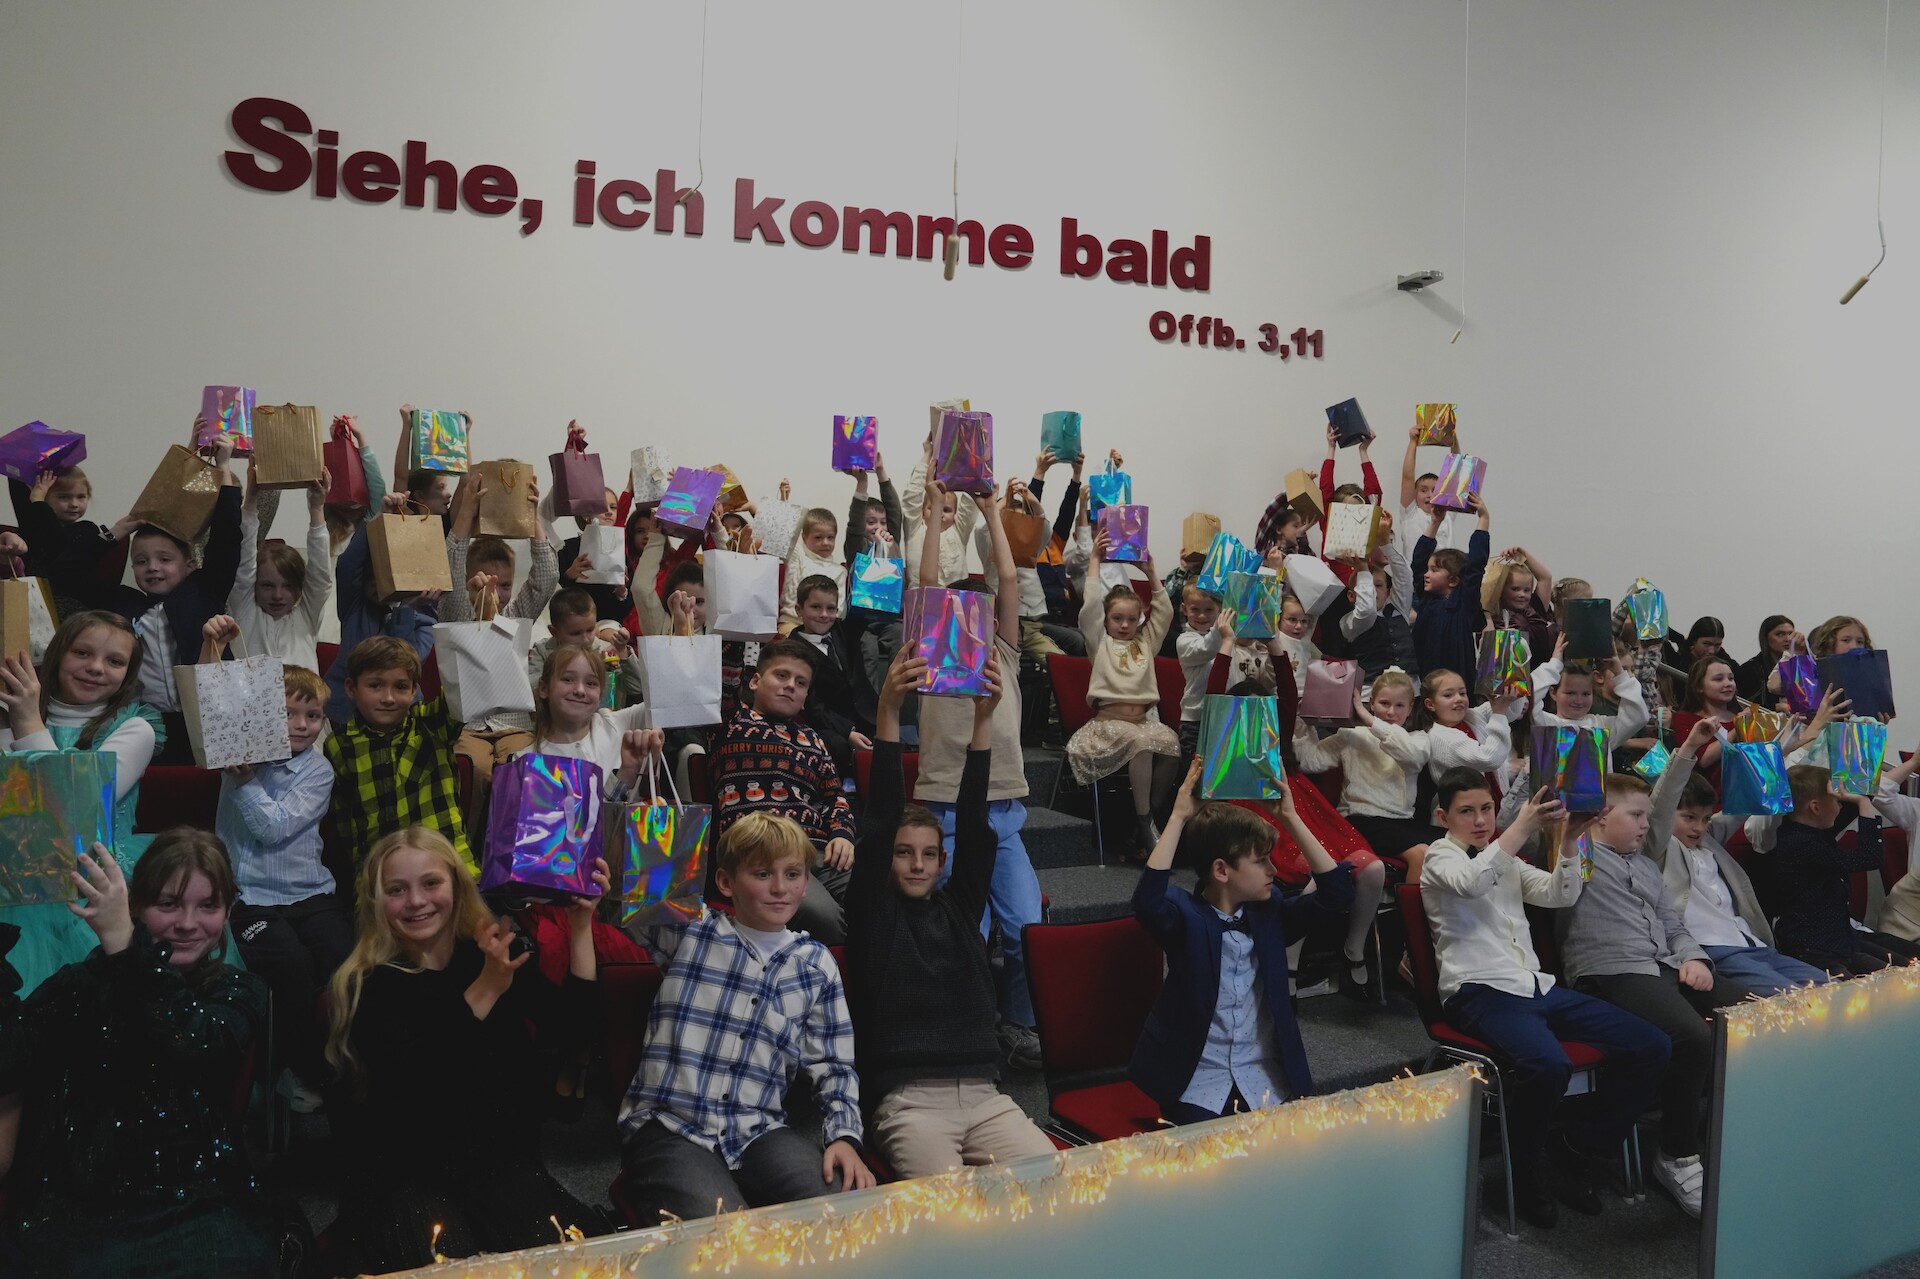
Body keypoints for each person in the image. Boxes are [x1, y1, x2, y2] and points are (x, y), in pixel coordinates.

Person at [321, 828, 611, 1272]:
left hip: (496, 1165)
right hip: (404, 1177)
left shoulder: (487, 955)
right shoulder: (367, 984)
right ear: (376, 901)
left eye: (431, 883)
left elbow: (574, 1029)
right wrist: (487, 989)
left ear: (457, 887)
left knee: (570, 1266)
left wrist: (580, 927)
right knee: (453, 1265)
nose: (416, 901)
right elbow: (419, 1084)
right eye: (396, 890)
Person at [0, 831, 275, 1278]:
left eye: (208, 906)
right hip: (82, 1209)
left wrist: (128, 950)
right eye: (168, 904)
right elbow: (11, 1055)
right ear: (136, 908)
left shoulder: (237, 990)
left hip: (200, 1202)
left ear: (227, 913)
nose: (188, 923)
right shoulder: (84, 984)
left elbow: (194, 1042)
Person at [1420, 768, 1669, 1228]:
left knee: (1651, 1044)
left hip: (1535, 986)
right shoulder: (1440, 856)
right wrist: (1522, 825)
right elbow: (1472, 881)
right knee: (1548, 1064)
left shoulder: (1506, 858)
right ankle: (1524, 1167)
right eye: (1467, 811)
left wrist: (1570, 841)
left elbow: (1560, 895)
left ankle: (1579, 1145)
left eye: (1487, 809)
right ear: (1443, 817)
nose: (1480, 820)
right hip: (1477, 991)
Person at [848, 649, 1055, 1174]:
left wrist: (984, 719)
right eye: (903, 853)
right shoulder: (875, 914)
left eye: (929, 854)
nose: (918, 864)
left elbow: (974, 816)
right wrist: (889, 710)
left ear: (944, 861)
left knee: (1050, 1181)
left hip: (986, 1096)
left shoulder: (959, 908)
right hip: (909, 1101)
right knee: (950, 1209)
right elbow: (881, 816)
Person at [618, 811, 873, 1223]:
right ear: (725, 882)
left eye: (793, 875)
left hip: (756, 1130)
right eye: (762, 874)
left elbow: (834, 1063)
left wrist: (843, 1136)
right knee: (724, 1229)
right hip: (673, 1126)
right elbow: (645, 880)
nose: (780, 888)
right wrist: (643, 798)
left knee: (841, 1211)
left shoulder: (816, 964)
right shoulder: (692, 931)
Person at [1558, 769, 1750, 1217]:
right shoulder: (1576, 853)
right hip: (1609, 971)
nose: (1647, 825)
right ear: (1600, 816)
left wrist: (1694, 958)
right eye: (1636, 815)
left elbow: (1672, 924)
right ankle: (1676, 1155)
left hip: (1662, 965)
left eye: (1647, 816)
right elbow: (1538, 828)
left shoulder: (1645, 864)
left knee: (1754, 1013)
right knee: (1691, 1036)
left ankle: (1722, 1129)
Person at [1130, 759, 1356, 1124]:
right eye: (1261, 861)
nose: (1273, 870)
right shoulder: (1186, 916)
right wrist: (1178, 817)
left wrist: (1290, 818)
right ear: (1222, 870)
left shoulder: (1269, 914)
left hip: (1263, 1073)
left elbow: (1338, 894)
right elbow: (1147, 902)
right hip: (1198, 1078)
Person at [913, 481, 1048, 1069]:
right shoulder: (931, 657)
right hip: (945, 810)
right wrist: (935, 519)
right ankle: (964, 1025)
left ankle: (1018, 1022)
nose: (972, 622)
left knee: (1026, 928)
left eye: (983, 614)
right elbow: (927, 584)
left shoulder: (1004, 653)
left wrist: (992, 512)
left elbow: (1009, 579)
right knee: (965, 930)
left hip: (1001, 815)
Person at [197, 618, 343, 1113]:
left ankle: (346, 1060)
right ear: (261, 715)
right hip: (249, 898)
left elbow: (279, 827)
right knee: (291, 967)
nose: (301, 724)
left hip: (310, 893)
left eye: (312, 716)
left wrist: (245, 784)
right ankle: (292, 1067)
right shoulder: (238, 755)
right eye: (287, 713)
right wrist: (211, 645)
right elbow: (211, 700)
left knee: (346, 960)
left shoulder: (318, 769)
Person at [0, 611, 165, 993]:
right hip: (13, 867)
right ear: (58, 654)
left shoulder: (135, 728)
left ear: (129, 673)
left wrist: (27, 721)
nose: (96, 668)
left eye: (115, 661)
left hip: (90, 874)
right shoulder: (10, 718)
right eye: (82, 653)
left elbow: (72, 810)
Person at [1650, 721, 1831, 996]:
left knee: (1836, 990)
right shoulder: (1660, 846)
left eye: (1705, 819)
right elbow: (1662, 804)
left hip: (1754, 945)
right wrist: (1690, 746)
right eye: (1689, 818)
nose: (1699, 827)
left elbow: (1748, 797)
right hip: (1713, 950)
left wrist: (1780, 753)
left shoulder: (1709, 840)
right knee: (1794, 1001)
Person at [102, 429, 241, 763]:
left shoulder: (204, 591)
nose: (153, 567)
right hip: (148, 721)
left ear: (190, 564)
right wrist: (118, 531)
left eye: (165, 559)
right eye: (141, 561)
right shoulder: (123, 604)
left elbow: (226, 540)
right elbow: (83, 575)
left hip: (207, 714)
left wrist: (223, 468)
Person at [709, 638, 858, 943]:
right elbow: (725, 677)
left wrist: (842, 834)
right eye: (781, 675)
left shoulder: (813, 738)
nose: (791, 685)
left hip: (819, 851)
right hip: (762, 850)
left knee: (883, 900)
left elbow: (834, 797)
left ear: (805, 698)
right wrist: (740, 630)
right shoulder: (729, 721)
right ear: (754, 681)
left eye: (801, 683)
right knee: (826, 918)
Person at [440, 471, 558, 820]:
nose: (497, 591)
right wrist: (466, 512)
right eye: (485, 581)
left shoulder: (516, 614)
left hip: (515, 725)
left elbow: (547, 577)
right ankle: (471, 840)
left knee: (521, 767)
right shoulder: (457, 613)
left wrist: (534, 518)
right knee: (473, 770)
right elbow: (450, 565)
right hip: (469, 726)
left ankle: (510, 843)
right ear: (466, 581)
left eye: (505, 584)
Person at [1067, 511, 1178, 851]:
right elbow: (1089, 607)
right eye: (1117, 618)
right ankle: (1144, 825)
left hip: (1142, 723)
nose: (1125, 625)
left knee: (1172, 745)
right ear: (1107, 620)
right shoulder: (1099, 642)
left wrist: (1150, 572)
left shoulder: (1145, 643)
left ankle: (1146, 817)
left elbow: (1166, 614)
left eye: (1132, 619)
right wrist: (1095, 560)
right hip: (1107, 727)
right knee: (1141, 744)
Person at [326, 635, 469, 869]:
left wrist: (479, 629)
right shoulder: (339, 744)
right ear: (351, 688)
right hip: (381, 870)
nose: (388, 698)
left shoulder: (430, 724)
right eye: (375, 685)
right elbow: (343, 818)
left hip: (446, 866)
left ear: (414, 690)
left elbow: (462, 690)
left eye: (400, 687)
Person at [1771, 764, 1920, 975]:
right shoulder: (1800, 845)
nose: (1841, 806)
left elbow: (1866, 794)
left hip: (1841, 939)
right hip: (1814, 947)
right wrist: (1863, 802)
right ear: (1815, 808)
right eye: (1837, 800)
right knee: (1893, 981)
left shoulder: (1808, 829)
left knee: (1909, 968)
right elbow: (1869, 858)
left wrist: (1860, 794)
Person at [1293, 668, 1433, 882]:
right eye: (1384, 703)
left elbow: (1411, 757)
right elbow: (1309, 761)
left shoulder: (1418, 739)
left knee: (1458, 845)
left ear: (1410, 708)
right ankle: (1409, 905)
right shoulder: (1352, 735)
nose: (1391, 712)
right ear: (1372, 703)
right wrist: (1303, 720)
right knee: (1422, 854)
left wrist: (1369, 720)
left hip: (1402, 821)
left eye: (1399, 705)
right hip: (1362, 820)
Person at [323, 493, 444, 724]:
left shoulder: (425, 618)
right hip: (346, 715)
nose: (377, 583)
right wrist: (380, 517)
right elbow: (348, 566)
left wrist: (406, 608)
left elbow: (401, 662)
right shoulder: (356, 607)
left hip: (399, 717)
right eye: (371, 575)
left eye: (385, 575)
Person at [228, 465, 333, 671]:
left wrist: (317, 507)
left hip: (303, 692)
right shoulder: (245, 612)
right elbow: (245, 559)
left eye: (288, 586)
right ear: (254, 585)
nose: (277, 595)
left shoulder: (306, 616)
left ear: (300, 587)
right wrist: (251, 499)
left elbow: (320, 576)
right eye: (267, 585)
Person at [788, 574, 878, 776]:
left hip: (868, 715)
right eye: (815, 607)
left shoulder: (843, 631)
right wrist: (848, 732)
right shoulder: (793, 651)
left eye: (831, 608)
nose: (824, 615)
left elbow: (868, 600)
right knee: (836, 746)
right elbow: (812, 705)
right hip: (828, 724)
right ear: (799, 609)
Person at [8, 463, 111, 618]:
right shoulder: (32, 527)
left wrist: (39, 502)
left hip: (72, 606)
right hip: (30, 600)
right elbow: (18, 489)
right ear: (45, 497)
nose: (74, 504)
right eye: (64, 497)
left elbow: (56, 546)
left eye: (81, 497)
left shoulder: (87, 529)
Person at [1409, 492, 1490, 682]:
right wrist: (1435, 522)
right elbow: (1418, 561)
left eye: (1434, 570)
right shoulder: (1426, 600)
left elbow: (1476, 565)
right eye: (1428, 569)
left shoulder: (1463, 604)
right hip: (1426, 682)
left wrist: (1484, 519)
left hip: (1456, 684)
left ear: (1453, 581)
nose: (1426, 574)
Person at [1530, 631, 1650, 759]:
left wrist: (1619, 673)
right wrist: (1554, 664)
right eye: (1570, 693)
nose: (1579, 700)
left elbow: (1638, 717)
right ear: (1553, 693)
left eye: (1586, 694)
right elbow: (1528, 698)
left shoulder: (1602, 726)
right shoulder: (1545, 724)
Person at [1397, 420, 1466, 556]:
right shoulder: (1410, 514)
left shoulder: (1447, 514)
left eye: (1435, 491)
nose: (1430, 495)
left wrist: (1452, 436)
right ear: (1415, 495)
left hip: (1447, 568)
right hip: (1417, 569)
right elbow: (1407, 477)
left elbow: (1455, 472)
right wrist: (1413, 442)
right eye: (1423, 490)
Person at [778, 505, 847, 633]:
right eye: (818, 537)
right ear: (804, 538)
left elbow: (839, 609)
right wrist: (754, 509)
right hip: (792, 623)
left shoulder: (840, 571)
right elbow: (780, 536)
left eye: (830, 537)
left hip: (823, 626)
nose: (825, 542)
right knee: (799, 644)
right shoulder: (798, 556)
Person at [1482, 547, 1555, 661]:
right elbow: (1488, 649)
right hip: (1509, 671)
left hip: (1543, 671)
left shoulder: (1535, 608)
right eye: (1515, 589)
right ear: (1501, 590)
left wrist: (1523, 555)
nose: (1522, 595)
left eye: (1527, 590)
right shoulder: (1493, 615)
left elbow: (1545, 578)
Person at [1735, 614, 1800, 705]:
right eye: (1780, 634)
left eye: (1790, 634)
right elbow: (1744, 704)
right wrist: (1775, 707)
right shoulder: (1750, 670)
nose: (1788, 639)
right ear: (1766, 637)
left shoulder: (1798, 666)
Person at [1807, 614, 1873, 657]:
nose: (1854, 647)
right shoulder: (1816, 672)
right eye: (1846, 640)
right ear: (1829, 643)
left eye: (1859, 642)